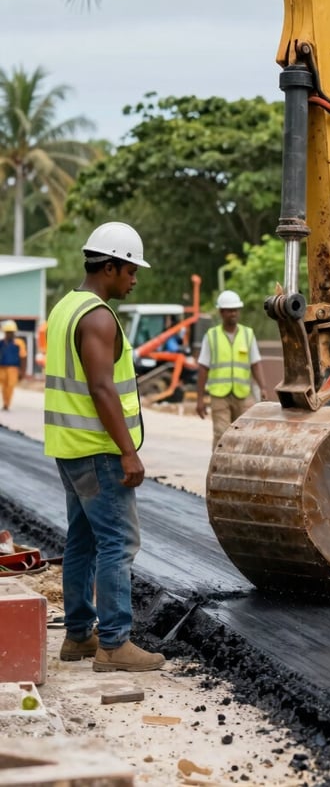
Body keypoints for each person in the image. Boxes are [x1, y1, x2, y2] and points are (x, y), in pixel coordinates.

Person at [43, 221, 166, 673]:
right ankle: (114, 643)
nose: (134, 280)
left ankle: (78, 636)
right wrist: (127, 451)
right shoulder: (97, 316)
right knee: (119, 542)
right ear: (110, 266)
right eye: (130, 271)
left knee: (83, 540)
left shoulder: (65, 309)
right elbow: (101, 388)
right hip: (98, 450)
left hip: (69, 447)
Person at [196, 289, 268, 449]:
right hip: (219, 395)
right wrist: (199, 399)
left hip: (243, 394)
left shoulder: (248, 334)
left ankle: (239, 467)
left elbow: (255, 363)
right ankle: (219, 470)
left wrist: (263, 387)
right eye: (229, 310)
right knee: (222, 435)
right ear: (221, 312)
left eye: (236, 310)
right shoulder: (211, 336)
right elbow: (203, 367)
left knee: (244, 435)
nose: (233, 313)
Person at [0, 320, 27, 410]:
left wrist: (22, 372)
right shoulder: (1, 343)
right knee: (4, 386)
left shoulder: (19, 343)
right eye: (8, 332)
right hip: (2, 368)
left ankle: (7, 404)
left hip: (13, 369)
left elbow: (23, 357)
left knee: (10, 386)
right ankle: (5, 402)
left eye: (11, 332)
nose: (9, 334)